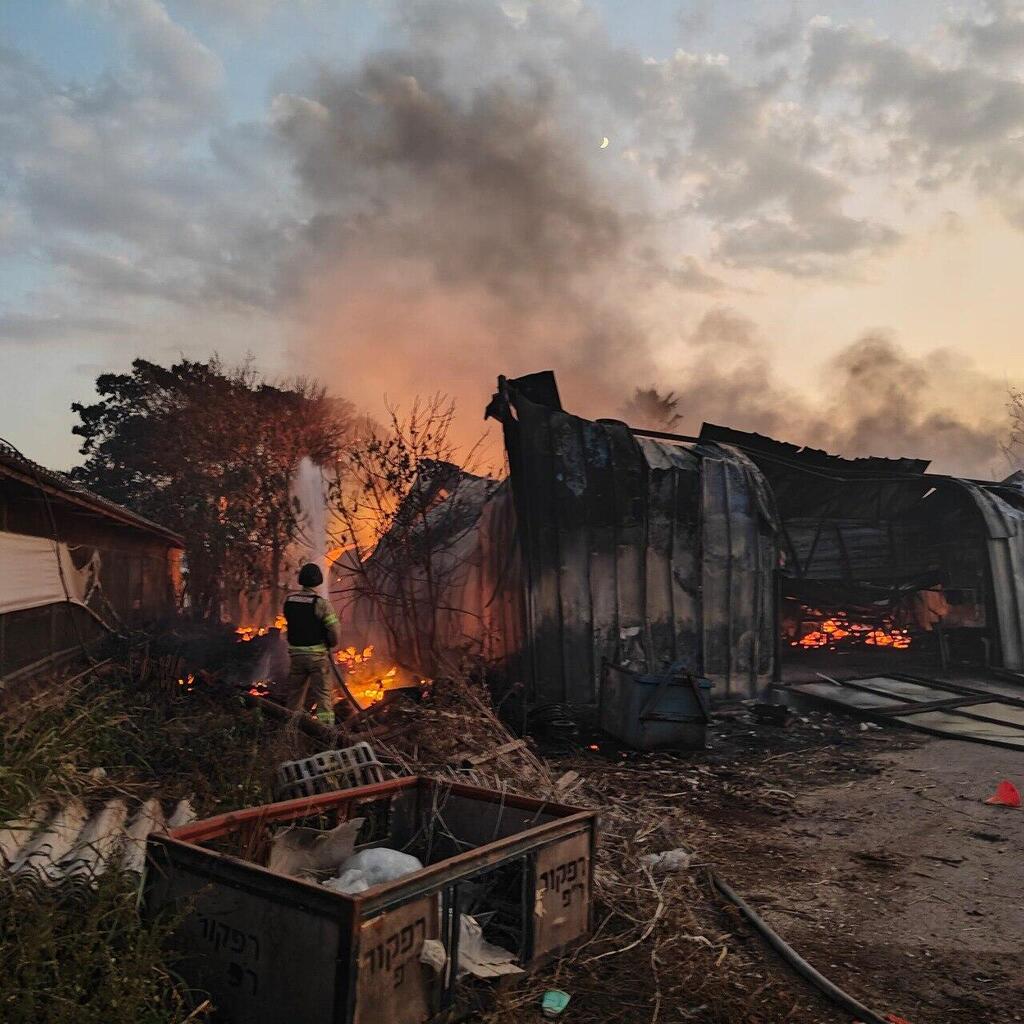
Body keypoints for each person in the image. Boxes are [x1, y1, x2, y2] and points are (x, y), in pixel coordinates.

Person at [281, 562, 339, 725]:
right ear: (318, 581)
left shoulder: (289, 601)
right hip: (317, 658)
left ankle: (289, 732)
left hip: (296, 657)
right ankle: (327, 734)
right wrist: (331, 643)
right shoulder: (321, 604)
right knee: (323, 697)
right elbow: (334, 630)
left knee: (294, 697)